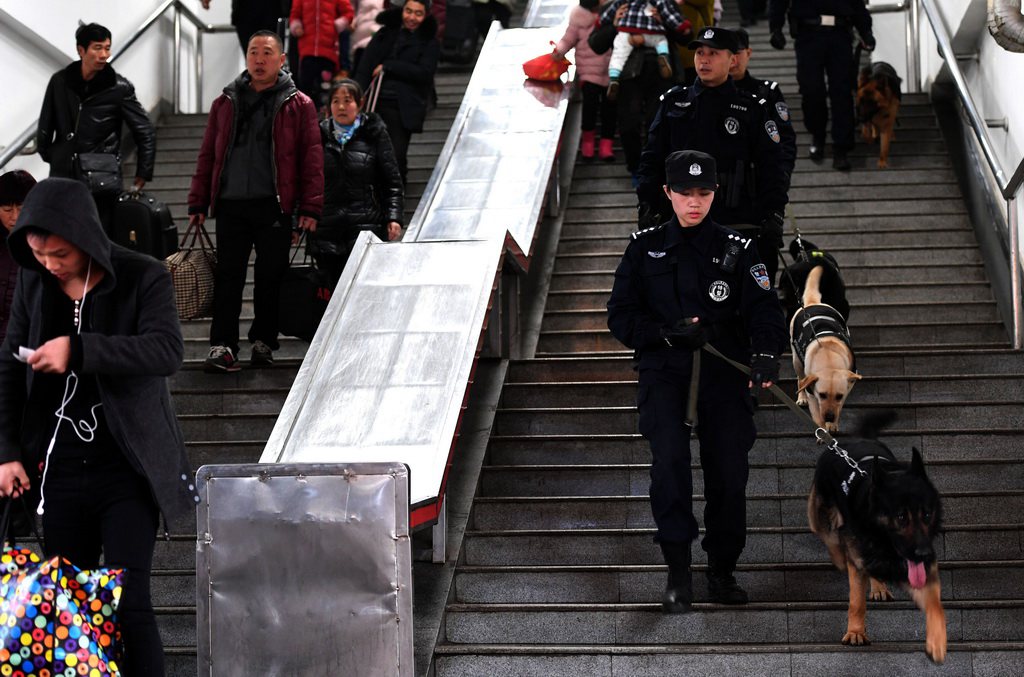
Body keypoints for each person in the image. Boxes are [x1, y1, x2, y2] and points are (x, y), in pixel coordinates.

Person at [0, 177, 198, 677]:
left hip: (126, 468)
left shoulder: (142, 275)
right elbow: (7, 363)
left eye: (60, 254)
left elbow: (166, 351)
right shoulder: (33, 280)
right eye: (39, 253)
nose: (50, 264)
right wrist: (6, 451)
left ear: (85, 237)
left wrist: (80, 350)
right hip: (58, 470)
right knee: (71, 609)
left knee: (129, 603)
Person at [607, 150, 786, 612]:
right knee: (669, 467)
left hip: (724, 371)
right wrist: (662, 334)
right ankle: (678, 573)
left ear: (714, 193)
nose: (694, 202)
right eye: (684, 193)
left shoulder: (739, 249)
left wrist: (767, 357)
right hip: (664, 373)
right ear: (667, 193)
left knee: (729, 473)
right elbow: (620, 317)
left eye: (703, 192)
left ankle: (722, 571)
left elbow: (766, 309)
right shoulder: (643, 248)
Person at [188, 30, 324, 373]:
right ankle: (223, 345)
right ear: (246, 58)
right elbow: (207, 156)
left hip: (274, 205)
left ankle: (263, 341)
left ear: (281, 59)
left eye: (267, 53)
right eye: (253, 52)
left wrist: (310, 207)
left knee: (270, 276)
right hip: (232, 204)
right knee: (228, 277)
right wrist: (198, 202)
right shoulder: (225, 102)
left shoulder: (300, 104)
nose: (259, 59)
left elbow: (312, 158)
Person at [634, 26, 789, 284]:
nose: (704, 59)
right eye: (699, 53)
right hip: (681, 219)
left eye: (713, 53)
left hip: (738, 218)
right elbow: (651, 160)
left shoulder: (751, 108)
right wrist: (647, 205)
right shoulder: (674, 103)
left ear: (733, 59)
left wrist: (773, 213)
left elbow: (771, 166)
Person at [36, 23, 156, 231]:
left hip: (101, 176)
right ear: (81, 50)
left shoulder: (118, 88)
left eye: (107, 48)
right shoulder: (60, 82)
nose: (104, 54)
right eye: (97, 48)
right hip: (63, 174)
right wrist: (55, 155)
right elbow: (45, 125)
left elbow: (144, 130)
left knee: (98, 239)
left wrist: (143, 171)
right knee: (62, 235)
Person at [311, 79, 404, 286]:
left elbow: (392, 182)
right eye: (336, 101)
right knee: (330, 294)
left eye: (347, 100)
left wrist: (394, 217)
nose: (342, 107)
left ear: (360, 104)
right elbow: (307, 182)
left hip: (366, 229)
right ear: (329, 107)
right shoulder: (318, 137)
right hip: (327, 232)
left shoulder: (375, 134)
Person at [768, 0, 874, 171]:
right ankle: (818, 135)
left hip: (840, 33)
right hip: (808, 34)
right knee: (811, 90)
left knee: (842, 92)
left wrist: (866, 31)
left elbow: (857, 4)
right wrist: (775, 28)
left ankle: (842, 147)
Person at [354, 0, 440, 184]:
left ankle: (396, 196)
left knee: (396, 156)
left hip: (403, 107)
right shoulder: (386, 33)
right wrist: (355, 95)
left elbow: (424, 73)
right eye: (408, 11)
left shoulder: (429, 42)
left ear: (425, 16)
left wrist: (390, 66)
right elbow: (365, 66)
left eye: (418, 13)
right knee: (374, 155)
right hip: (375, 102)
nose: (411, 17)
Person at [552, 0, 618, 162]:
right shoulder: (579, 18)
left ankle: (605, 145)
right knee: (590, 106)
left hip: (613, 70)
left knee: (609, 109)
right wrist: (559, 51)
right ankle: (588, 143)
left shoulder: (613, 13)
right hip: (588, 71)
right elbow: (568, 39)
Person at [732, 27, 796, 179]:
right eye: (727, 54)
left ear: (748, 53)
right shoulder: (708, 93)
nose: (733, 59)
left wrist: (783, 175)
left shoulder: (768, 92)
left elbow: (785, 138)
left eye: (737, 53)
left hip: (761, 178)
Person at [599, 0, 693, 98]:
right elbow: (596, 45)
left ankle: (614, 77)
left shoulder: (667, 2)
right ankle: (614, 78)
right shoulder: (616, 5)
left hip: (658, 77)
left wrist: (662, 22)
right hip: (629, 77)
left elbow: (686, 38)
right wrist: (614, 25)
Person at [289, 0, 355, 105]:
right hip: (307, 51)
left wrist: (337, 25)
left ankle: (325, 116)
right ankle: (306, 116)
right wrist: (296, 26)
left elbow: (348, 12)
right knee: (306, 90)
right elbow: (295, 14)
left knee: (326, 91)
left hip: (328, 51)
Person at [0, 171, 37, 345]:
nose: (14, 217)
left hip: (24, 343)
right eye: (7, 210)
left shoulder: (45, 247)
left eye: (21, 209)